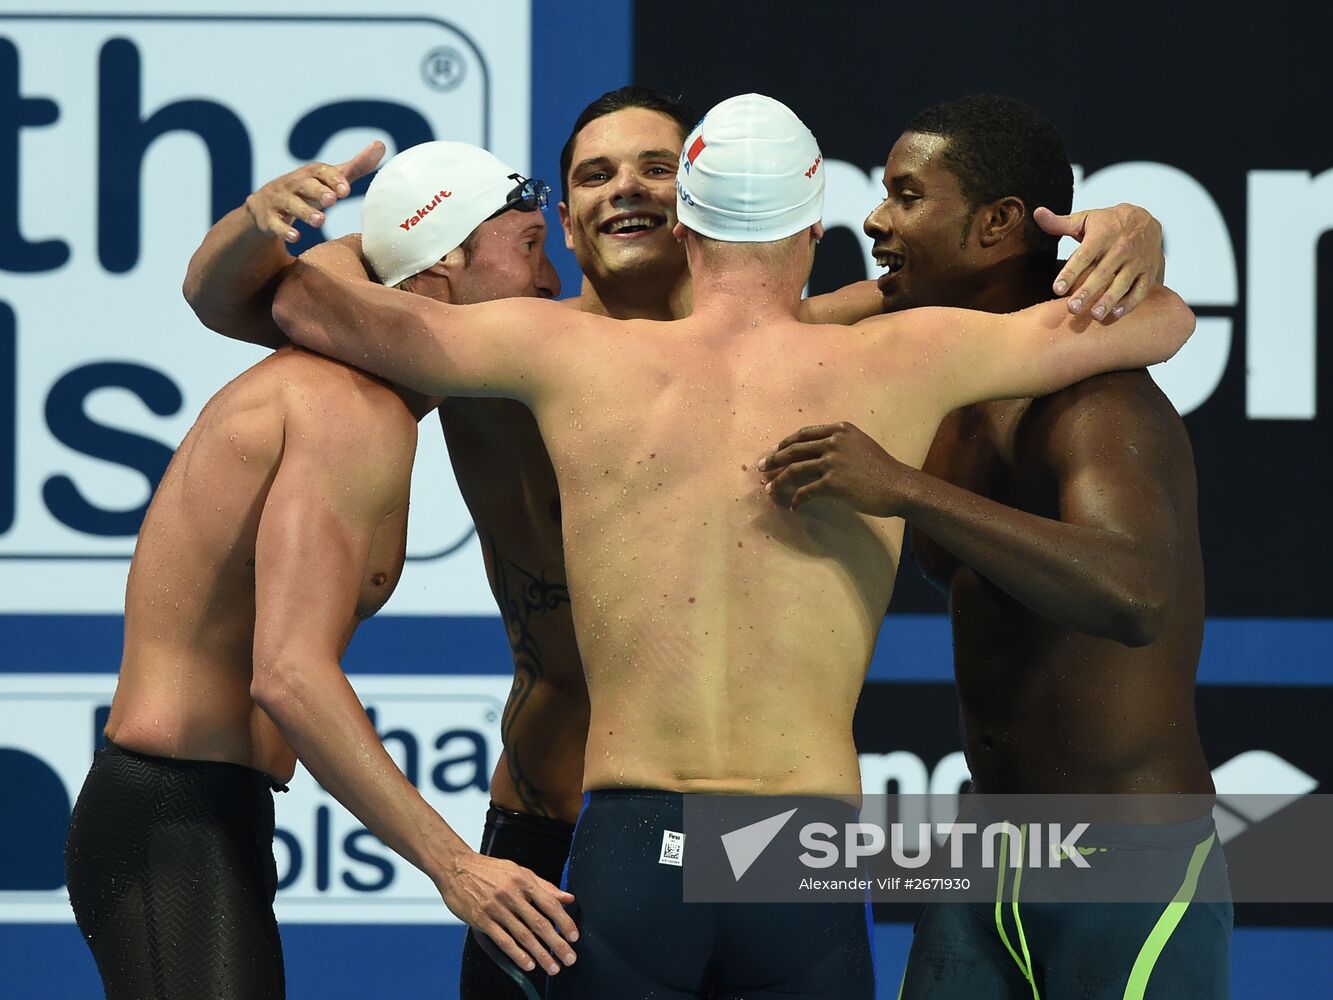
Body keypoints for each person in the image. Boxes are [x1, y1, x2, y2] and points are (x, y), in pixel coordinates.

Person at [270, 93, 1196, 999]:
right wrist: (1126, 238)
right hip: (795, 845)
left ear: (683, 226)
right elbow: (1162, 321)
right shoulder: (900, 353)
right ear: (810, 234)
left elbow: (280, 300)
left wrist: (337, 237)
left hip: (631, 832)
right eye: (597, 172)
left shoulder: (544, 348)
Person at [63, 141, 579, 1000]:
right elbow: (289, 674)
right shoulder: (349, 408)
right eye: (530, 247)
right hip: (172, 816)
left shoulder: (372, 391)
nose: (550, 283)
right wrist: (456, 866)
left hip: (200, 814)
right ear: (445, 260)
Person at [759, 94, 1228, 999]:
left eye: (905, 194)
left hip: (1125, 857)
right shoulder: (937, 368)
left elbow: (1136, 594)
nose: (874, 217)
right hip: (985, 850)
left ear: (998, 225)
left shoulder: (1098, 401)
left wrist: (901, 489)